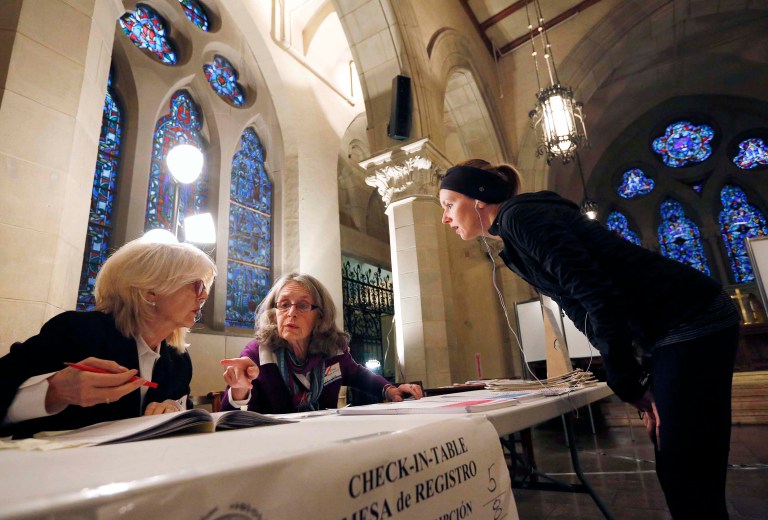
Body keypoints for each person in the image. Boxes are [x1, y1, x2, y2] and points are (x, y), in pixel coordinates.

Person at [439, 159, 739, 519]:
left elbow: (596, 292)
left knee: (687, 463)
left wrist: (626, 380)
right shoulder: (516, 231)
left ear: (479, 198)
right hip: (669, 330)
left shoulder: (520, 217)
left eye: (449, 204)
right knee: (676, 460)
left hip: (691, 317)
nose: (445, 218)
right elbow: (579, 306)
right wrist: (637, 381)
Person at [0, 238, 217, 438]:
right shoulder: (77, 331)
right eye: (197, 285)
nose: (204, 296)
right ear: (151, 291)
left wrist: (173, 411)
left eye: (205, 288)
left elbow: (181, 411)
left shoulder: (178, 360)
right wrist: (52, 392)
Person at [220, 272, 423, 413]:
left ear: (320, 316)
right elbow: (227, 419)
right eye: (283, 305)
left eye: (303, 306)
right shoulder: (258, 353)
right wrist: (238, 390)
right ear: (274, 314)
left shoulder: (332, 350)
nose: (291, 313)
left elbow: (357, 374)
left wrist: (389, 389)